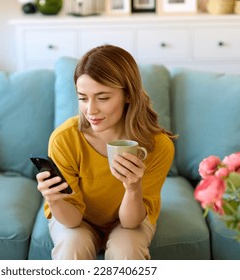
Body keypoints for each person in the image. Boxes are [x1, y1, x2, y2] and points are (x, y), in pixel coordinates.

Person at [36, 45, 176, 260]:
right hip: (77, 218)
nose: (91, 110)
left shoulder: (157, 146)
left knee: (127, 251)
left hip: (128, 220)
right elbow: (72, 221)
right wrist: (54, 199)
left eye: (102, 98)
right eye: (83, 98)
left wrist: (133, 188)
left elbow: (130, 223)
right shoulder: (65, 139)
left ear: (128, 94)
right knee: (72, 247)